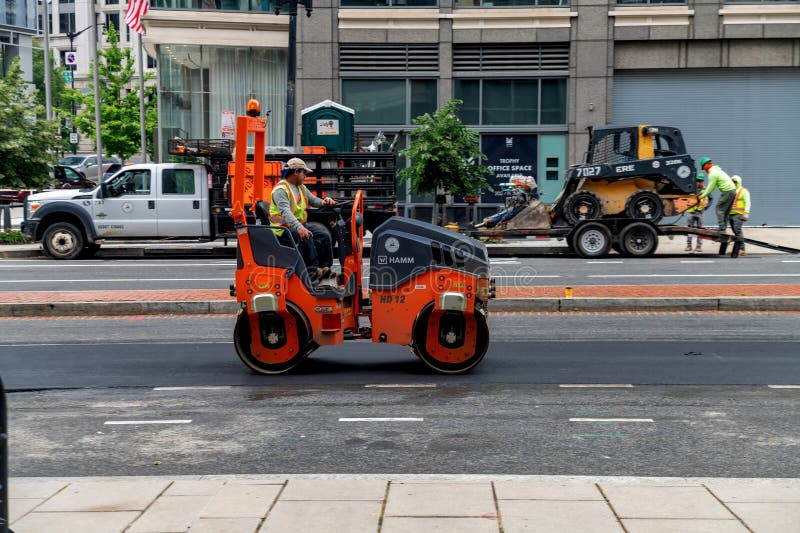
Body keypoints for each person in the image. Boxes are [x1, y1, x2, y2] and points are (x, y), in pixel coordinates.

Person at [269, 157, 336, 283]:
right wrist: (300, 228)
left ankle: (325, 269)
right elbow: (286, 212)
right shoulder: (281, 190)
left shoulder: (301, 188)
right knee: (306, 236)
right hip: (282, 230)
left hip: (297, 225)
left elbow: (314, 200)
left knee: (324, 235)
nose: (305, 176)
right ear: (296, 172)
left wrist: (325, 202)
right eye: (304, 172)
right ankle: (312, 272)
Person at [697, 157, 737, 232]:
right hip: (733, 191)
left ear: (706, 165)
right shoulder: (717, 170)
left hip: (727, 191)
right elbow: (712, 187)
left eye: (704, 168)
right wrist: (703, 192)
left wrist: (702, 196)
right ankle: (723, 228)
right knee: (725, 211)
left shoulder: (712, 173)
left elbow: (710, 188)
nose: (705, 170)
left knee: (719, 208)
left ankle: (721, 228)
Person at [685, 173, 710, 252]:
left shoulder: (705, 189)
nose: (699, 182)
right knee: (690, 229)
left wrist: (706, 207)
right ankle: (689, 245)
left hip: (700, 212)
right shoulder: (691, 188)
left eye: (701, 181)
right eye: (698, 181)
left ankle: (699, 246)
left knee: (700, 230)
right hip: (690, 212)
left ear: (703, 181)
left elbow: (711, 198)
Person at [729, 175, 751, 256]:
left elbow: (747, 202)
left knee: (737, 230)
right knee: (735, 232)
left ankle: (742, 249)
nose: (733, 183)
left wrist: (746, 213)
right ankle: (738, 249)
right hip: (730, 214)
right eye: (732, 181)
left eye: (735, 181)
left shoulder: (743, 191)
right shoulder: (731, 190)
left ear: (738, 182)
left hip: (738, 215)